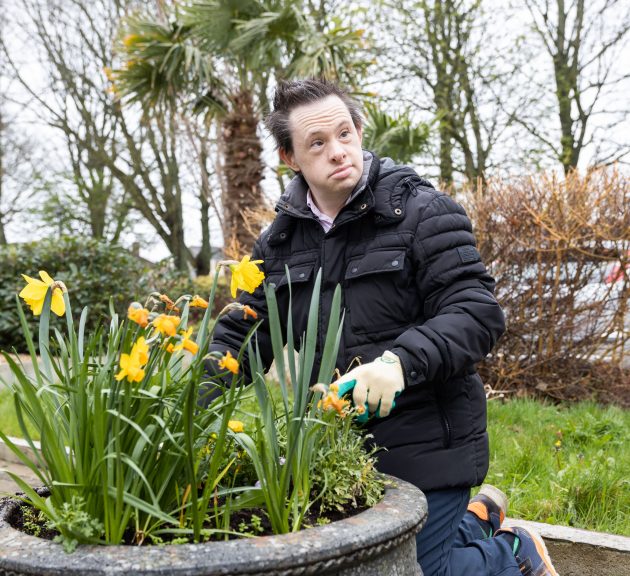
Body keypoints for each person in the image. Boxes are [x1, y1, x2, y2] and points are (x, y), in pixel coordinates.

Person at [207, 78, 559, 576]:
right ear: (290, 158)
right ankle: (474, 523)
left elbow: (476, 310)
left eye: (345, 133)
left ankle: (514, 554)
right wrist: (185, 407)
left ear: (359, 130)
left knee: (408, 572)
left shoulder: (421, 211)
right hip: (340, 450)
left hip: (429, 444)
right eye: (318, 143)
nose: (338, 152)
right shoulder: (279, 245)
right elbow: (241, 337)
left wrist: (400, 363)